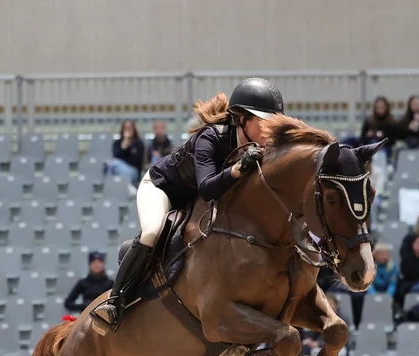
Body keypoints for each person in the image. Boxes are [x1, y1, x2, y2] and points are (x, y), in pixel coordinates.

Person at [91, 78, 284, 333]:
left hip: (195, 201)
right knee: (152, 231)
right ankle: (115, 302)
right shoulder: (211, 137)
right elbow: (207, 186)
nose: (270, 131)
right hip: (162, 189)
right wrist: (237, 170)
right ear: (241, 119)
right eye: (264, 123)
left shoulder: (257, 147)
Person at [398, 94, 419, 179]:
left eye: (418, 104)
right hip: (408, 144)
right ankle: (400, 175)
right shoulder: (404, 120)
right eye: (414, 104)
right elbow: (399, 136)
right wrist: (409, 128)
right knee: (400, 151)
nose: (416, 107)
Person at [106, 120, 145, 187]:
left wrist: (129, 147)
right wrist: (124, 145)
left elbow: (137, 161)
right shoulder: (117, 143)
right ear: (122, 129)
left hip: (134, 171)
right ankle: (128, 188)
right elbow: (116, 155)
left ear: (134, 129)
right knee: (113, 166)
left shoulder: (138, 143)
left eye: (130, 128)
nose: (128, 130)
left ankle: (107, 187)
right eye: (126, 128)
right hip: (119, 169)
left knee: (112, 165)